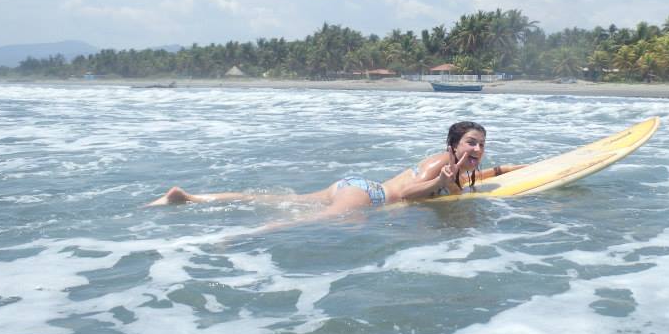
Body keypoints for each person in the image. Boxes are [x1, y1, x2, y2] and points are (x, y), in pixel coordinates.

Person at [146, 121, 527, 223]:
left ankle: (190, 198)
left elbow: (488, 173)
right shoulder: (440, 165)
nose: (477, 149)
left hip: (356, 186)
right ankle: (246, 237)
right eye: (471, 143)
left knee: (283, 201)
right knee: (309, 222)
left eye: (481, 143)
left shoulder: (462, 168)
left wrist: (521, 167)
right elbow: (411, 193)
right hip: (369, 197)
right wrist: (439, 184)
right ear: (454, 146)